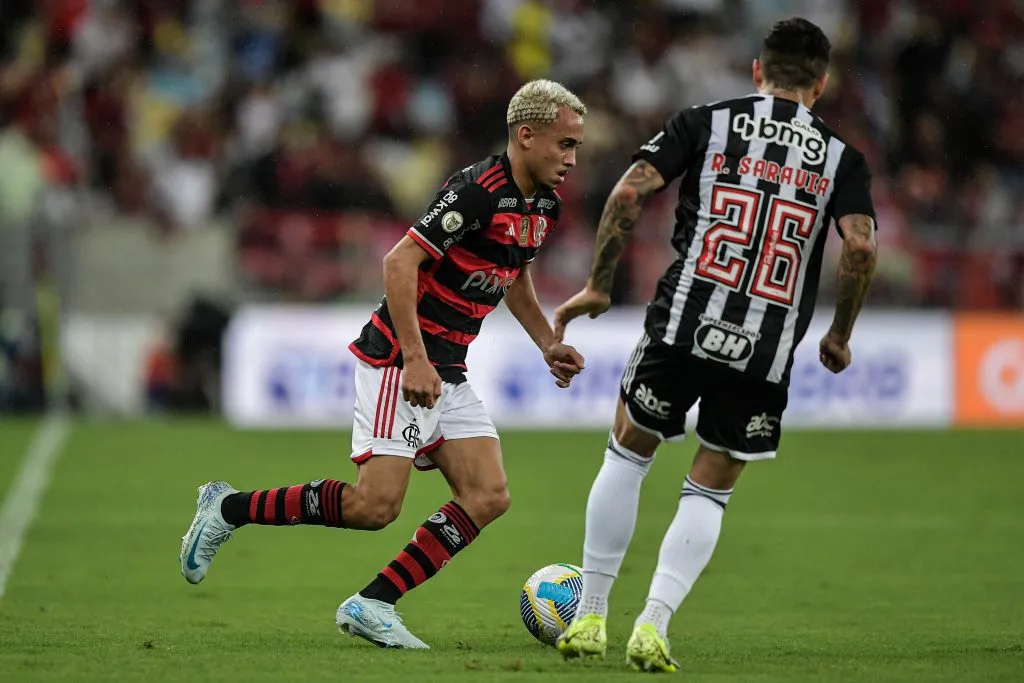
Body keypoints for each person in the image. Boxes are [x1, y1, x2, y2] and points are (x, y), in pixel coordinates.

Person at [178, 79, 588, 649]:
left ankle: (372, 603)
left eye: (576, 147)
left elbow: (512, 273)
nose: (571, 159)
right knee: (373, 507)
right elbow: (400, 264)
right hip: (402, 358)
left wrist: (546, 342)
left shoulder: (543, 205)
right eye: (565, 144)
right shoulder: (475, 192)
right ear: (526, 135)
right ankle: (227, 508)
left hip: (447, 367)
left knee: (489, 494)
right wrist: (417, 360)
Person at [552, 18, 878, 672]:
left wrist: (598, 283)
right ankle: (653, 625)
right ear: (822, 82)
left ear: (757, 71)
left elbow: (627, 193)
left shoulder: (705, 120)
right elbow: (862, 246)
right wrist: (840, 333)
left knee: (628, 451)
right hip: (765, 345)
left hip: (684, 320)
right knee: (708, 490)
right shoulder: (843, 158)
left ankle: (590, 614)